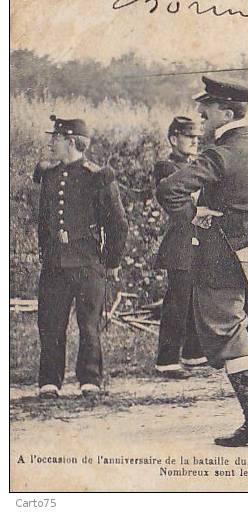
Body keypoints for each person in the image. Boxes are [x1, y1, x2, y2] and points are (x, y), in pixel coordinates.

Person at [156, 75, 248, 446]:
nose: (201, 116)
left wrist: (194, 215)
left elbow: (169, 189)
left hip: (221, 254)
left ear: (226, 111)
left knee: (227, 333)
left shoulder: (219, 153)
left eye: (205, 110)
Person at [34, 115, 128, 399]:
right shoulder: (49, 175)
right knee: (50, 324)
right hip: (54, 264)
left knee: (89, 325)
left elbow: (118, 223)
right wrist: (45, 254)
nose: (51, 143)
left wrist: (111, 262)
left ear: (71, 142)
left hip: (88, 263)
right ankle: (49, 381)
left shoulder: (97, 176)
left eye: (56, 139)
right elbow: (43, 221)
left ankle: (90, 379)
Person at [152, 116, 207, 379]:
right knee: (177, 301)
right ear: (174, 139)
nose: (195, 141)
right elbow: (179, 197)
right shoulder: (166, 166)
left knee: (197, 297)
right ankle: (167, 359)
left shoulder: (196, 165)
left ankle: (193, 353)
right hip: (180, 241)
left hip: (200, 240)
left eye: (197, 137)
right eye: (189, 136)